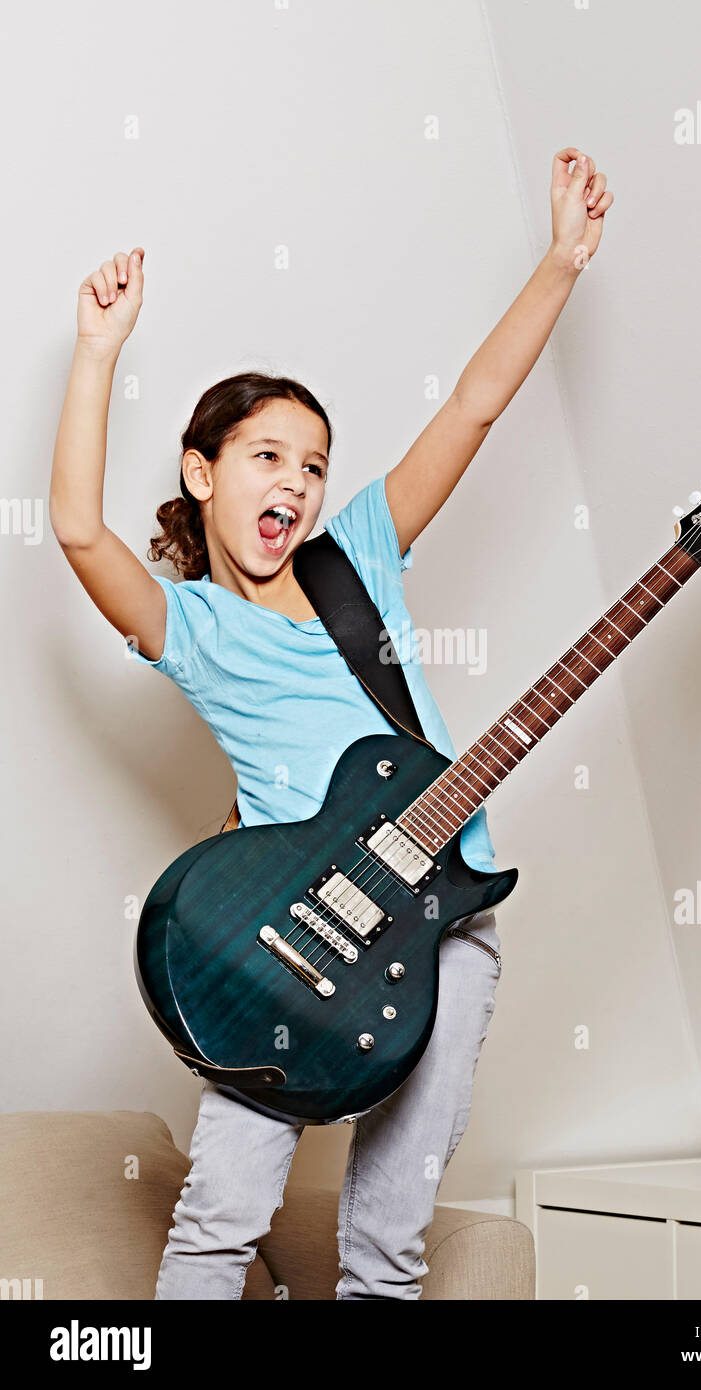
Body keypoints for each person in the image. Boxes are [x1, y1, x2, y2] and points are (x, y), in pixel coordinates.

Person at [49, 148, 613, 1299]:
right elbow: (78, 533)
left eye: (312, 464)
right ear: (203, 475)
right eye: (267, 457)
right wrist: (97, 353)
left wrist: (558, 262)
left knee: (386, 1247)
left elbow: (472, 404)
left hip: (443, 916)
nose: (296, 484)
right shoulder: (194, 627)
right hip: (287, 944)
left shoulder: (356, 557)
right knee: (217, 1220)